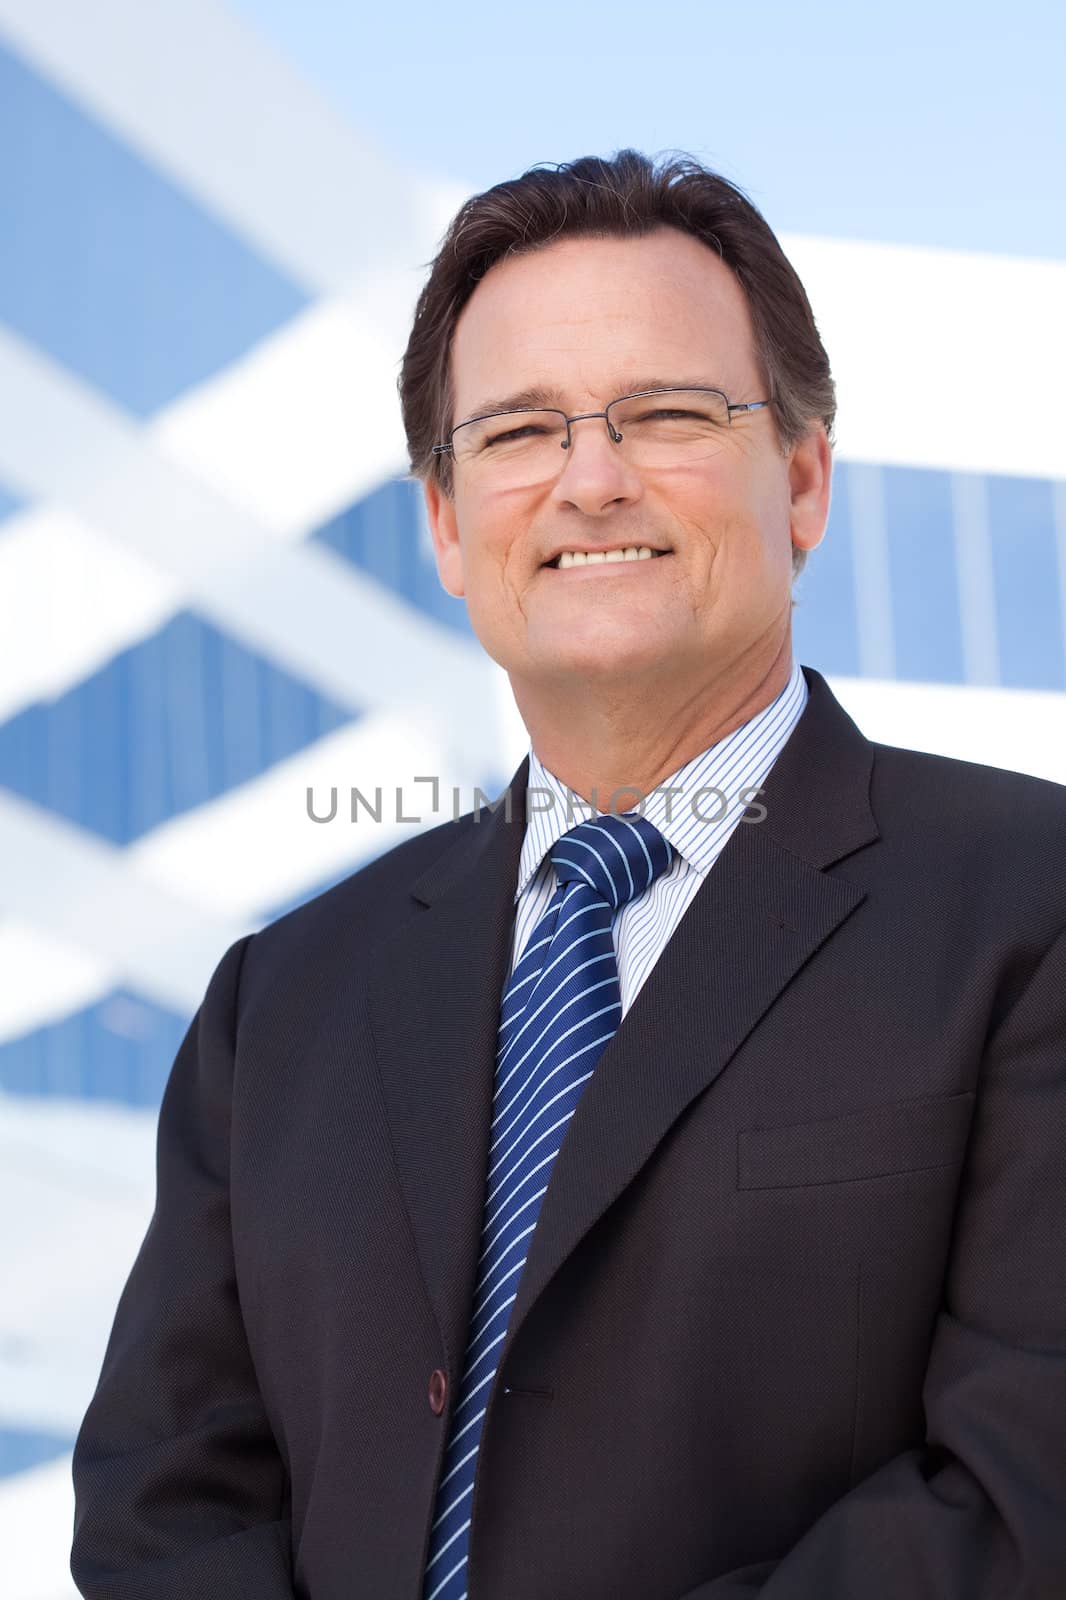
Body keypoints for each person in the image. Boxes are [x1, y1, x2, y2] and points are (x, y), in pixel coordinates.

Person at [70, 150, 1066, 1600]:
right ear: (446, 525)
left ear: (799, 477)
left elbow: (1023, 1494)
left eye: (666, 414)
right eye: (521, 431)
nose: (591, 480)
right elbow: (167, 1498)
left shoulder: (1026, 908)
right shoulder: (278, 1002)